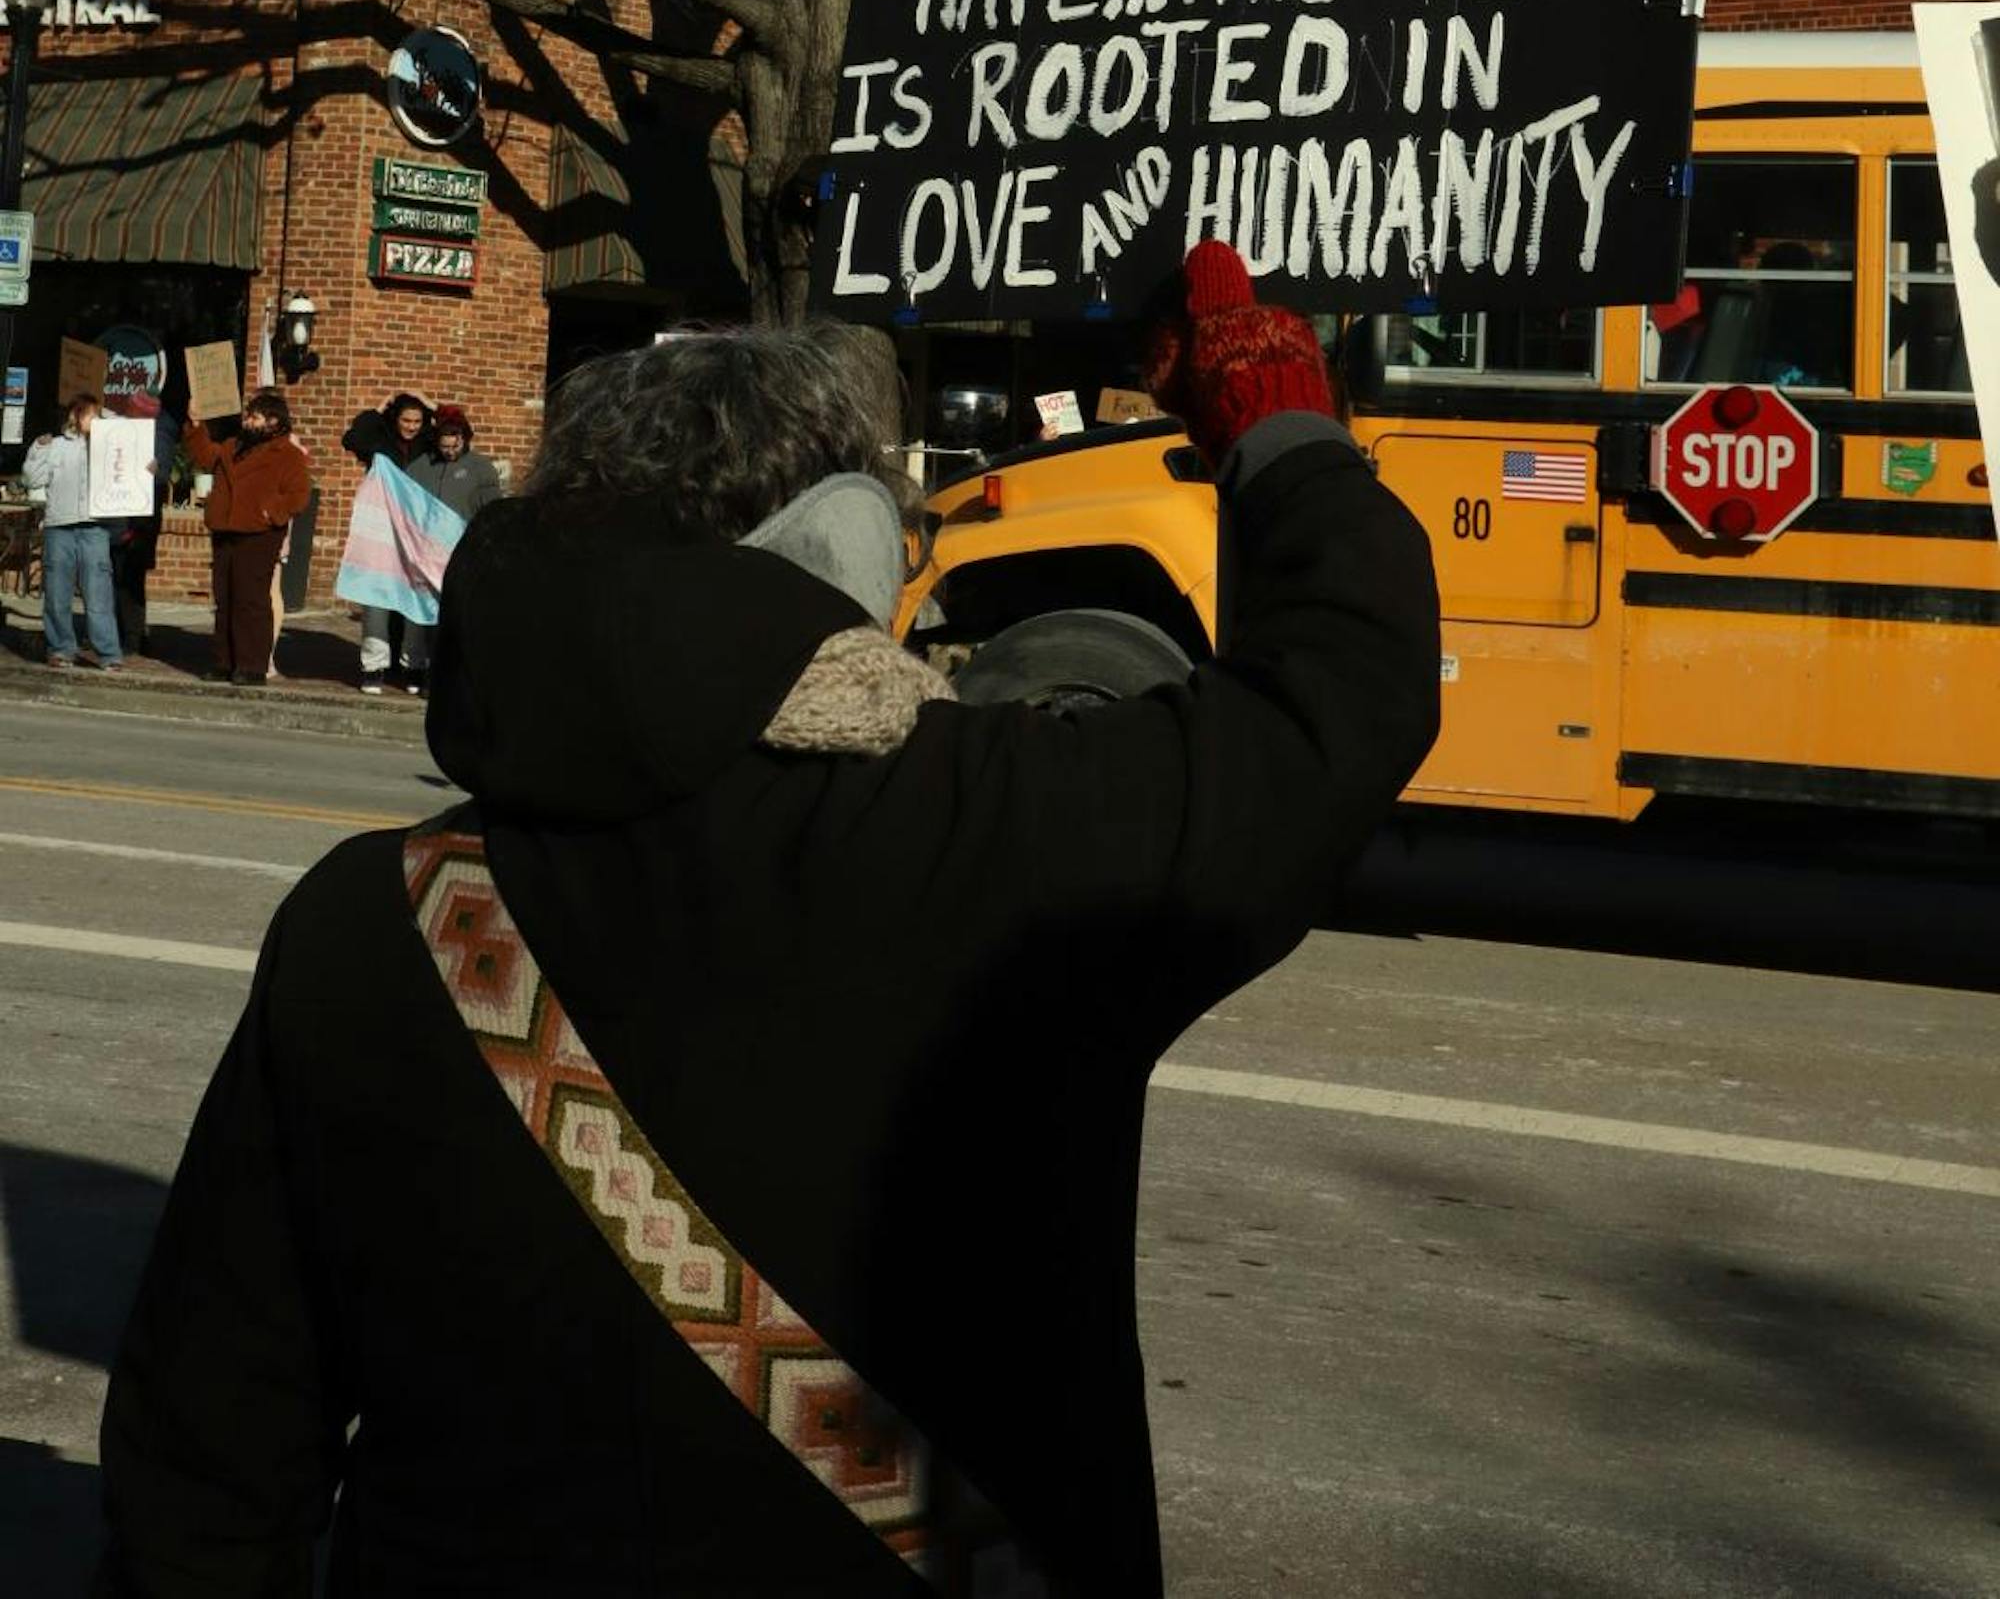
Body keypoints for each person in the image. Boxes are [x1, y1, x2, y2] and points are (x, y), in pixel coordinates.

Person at [97, 247, 1440, 1597]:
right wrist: (1280, 433)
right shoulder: (1005, 838)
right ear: (841, 545)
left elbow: (209, 1448)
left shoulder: (366, 919)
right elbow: (1340, 696)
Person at [186, 390, 313, 688]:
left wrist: (271, 513)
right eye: (248, 415)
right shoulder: (234, 446)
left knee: (251, 601)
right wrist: (195, 423)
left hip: (259, 533)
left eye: (254, 416)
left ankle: (252, 664)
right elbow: (205, 456)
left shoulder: (287, 454)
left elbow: (299, 496)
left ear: (272, 421)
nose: (248, 421)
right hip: (226, 529)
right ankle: (224, 661)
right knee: (226, 598)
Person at [24, 393, 125, 676]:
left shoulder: (109, 445)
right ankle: (60, 649)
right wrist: (38, 449)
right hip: (59, 527)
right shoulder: (54, 446)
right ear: (72, 415)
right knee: (57, 593)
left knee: (99, 594)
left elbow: (131, 440)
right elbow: (32, 478)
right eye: (83, 413)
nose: (87, 418)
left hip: (94, 527)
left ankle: (108, 653)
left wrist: (104, 421)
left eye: (93, 414)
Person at [341, 389, 435, 690]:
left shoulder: (427, 445)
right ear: (396, 419)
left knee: (417, 598)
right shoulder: (379, 442)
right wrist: (379, 408)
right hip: (382, 532)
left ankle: (414, 666)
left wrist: (428, 402)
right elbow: (353, 438)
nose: (411, 426)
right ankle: (374, 666)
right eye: (406, 420)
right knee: (376, 598)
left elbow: (456, 427)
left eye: (418, 421)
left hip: (417, 533)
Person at [103, 390, 179, 660]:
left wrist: (144, 468)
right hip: (119, 513)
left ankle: (132, 636)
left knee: (130, 579)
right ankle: (117, 632)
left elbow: (159, 475)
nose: (126, 414)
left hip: (139, 520)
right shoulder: (131, 428)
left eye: (131, 411)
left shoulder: (159, 432)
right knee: (115, 576)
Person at [414, 401, 504, 525]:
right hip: (429, 536)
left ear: (464, 440)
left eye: (455, 446)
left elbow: (494, 511)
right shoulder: (422, 464)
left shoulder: (481, 467)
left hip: (464, 536)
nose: (450, 452)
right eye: (444, 447)